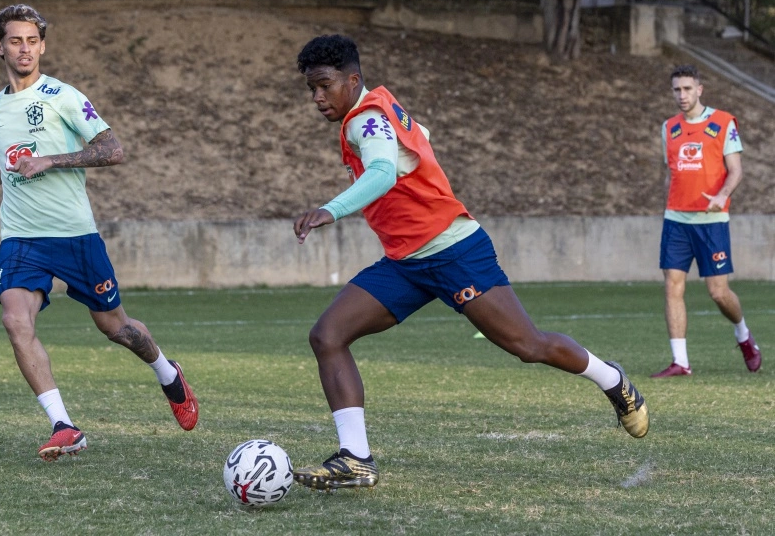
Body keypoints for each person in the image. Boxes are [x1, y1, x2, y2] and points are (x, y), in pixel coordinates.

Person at [290, 34, 649, 491]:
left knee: (528, 346)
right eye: (311, 89)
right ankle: (356, 458)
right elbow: (419, 140)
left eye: (324, 85)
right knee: (328, 335)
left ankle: (611, 378)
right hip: (406, 262)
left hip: (454, 252)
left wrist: (330, 210)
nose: (318, 97)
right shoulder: (380, 109)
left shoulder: (367, 120)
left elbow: (381, 171)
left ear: (353, 79)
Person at [0, 4, 198, 461]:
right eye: (15, 41)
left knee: (118, 328)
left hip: (75, 236)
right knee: (15, 320)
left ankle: (168, 373)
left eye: (32, 41)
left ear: (42, 46)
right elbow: (6, 161)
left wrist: (54, 159)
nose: (24, 49)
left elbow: (112, 149)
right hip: (21, 238)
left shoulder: (64, 96)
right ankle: (64, 425)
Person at [651, 64, 761, 378]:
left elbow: (736, 170)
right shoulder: (669, 127)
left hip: (712, 221)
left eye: (687, 89)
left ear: (700, 89)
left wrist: (721, 196)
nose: (681, 95)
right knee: (672, 286)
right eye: (676, 89)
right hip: (676, 220)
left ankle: (743, 335)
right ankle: (681, 362)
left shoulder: (724, 123)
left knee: (718, 292)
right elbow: (671, 172)